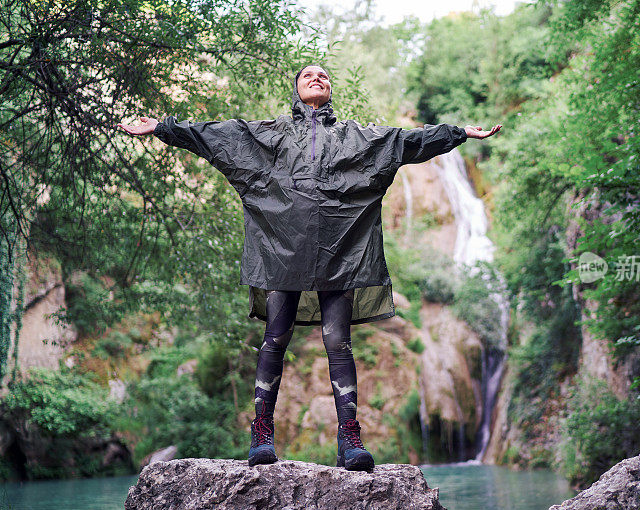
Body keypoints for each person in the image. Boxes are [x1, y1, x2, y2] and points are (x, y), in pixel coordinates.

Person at [118, 64, 501, 472]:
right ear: (296, 89)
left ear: (331, 90)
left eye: (323, 76)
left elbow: (406, 142)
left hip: (340, 251)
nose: (317, 78)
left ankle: (349, 440)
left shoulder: (355, 136)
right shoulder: (271, 133)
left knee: (338, 342)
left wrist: (458, 133)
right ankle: (261, 434)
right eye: (307, 76)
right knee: (275, 338)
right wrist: (162, 128)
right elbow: (215, 137)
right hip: (284, 249)